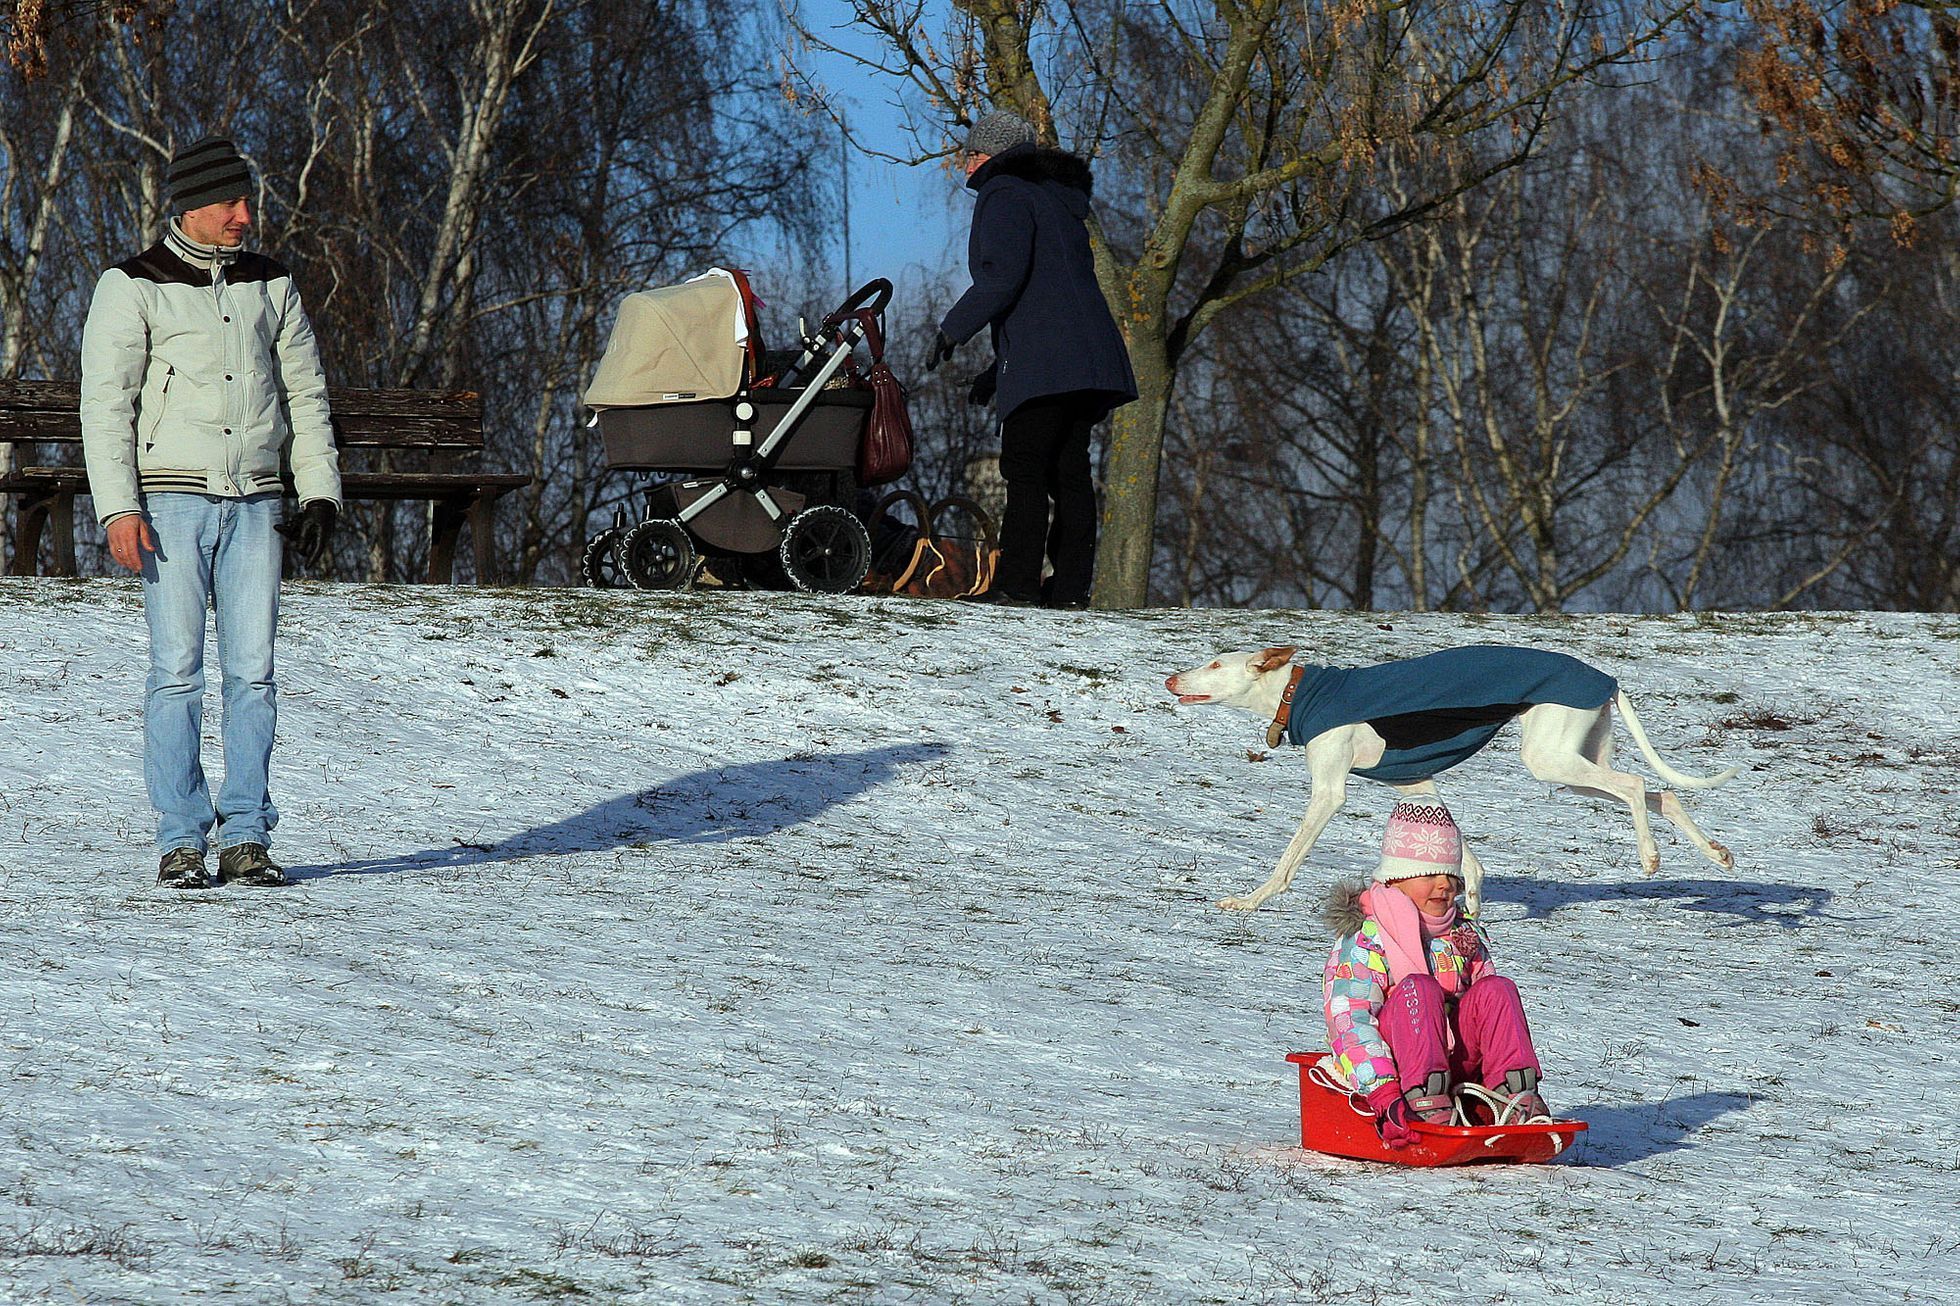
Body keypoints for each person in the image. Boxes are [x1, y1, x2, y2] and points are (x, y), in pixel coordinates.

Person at [80, 135, 342, 890]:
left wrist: (319, 491)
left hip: (257, 502)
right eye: (231, 201)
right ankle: (181, 839)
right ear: (191, 205)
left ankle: (247, 835)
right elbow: (107, 407)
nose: (245, 215)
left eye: (247, 199)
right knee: (176, 674)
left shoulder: (273, 283)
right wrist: (117, 508)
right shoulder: (132, 284)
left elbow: (307, 394)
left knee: (254, 676)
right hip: (170, 502)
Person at [928, 110, 1137, 609]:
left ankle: (1016, 585)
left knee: (1024, 470)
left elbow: (1003, 278)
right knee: (1070, 472)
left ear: (997, 157)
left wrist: (953, 329)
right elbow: (1050, 296)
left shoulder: (1006, 194)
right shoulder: (1059, 202)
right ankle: (1068, 590)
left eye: (974, 155)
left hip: (1048, 365)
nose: (966, 168)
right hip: (1088, 360)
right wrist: (997, 372)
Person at [1321, 798, 1553, 1147]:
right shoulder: (1369, 937)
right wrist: (1383, 1093)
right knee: (1418, 988)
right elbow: (1350, 1019)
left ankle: (1513, 1092)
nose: (1444, 885)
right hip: (1398, 1071)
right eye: (1429, 874)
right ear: (1396, 877)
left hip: (1458, 1069)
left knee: (1496, 989)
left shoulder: (1461, 933)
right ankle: (1422, 1097)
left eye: (1450, 876)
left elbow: (1488, 1014)